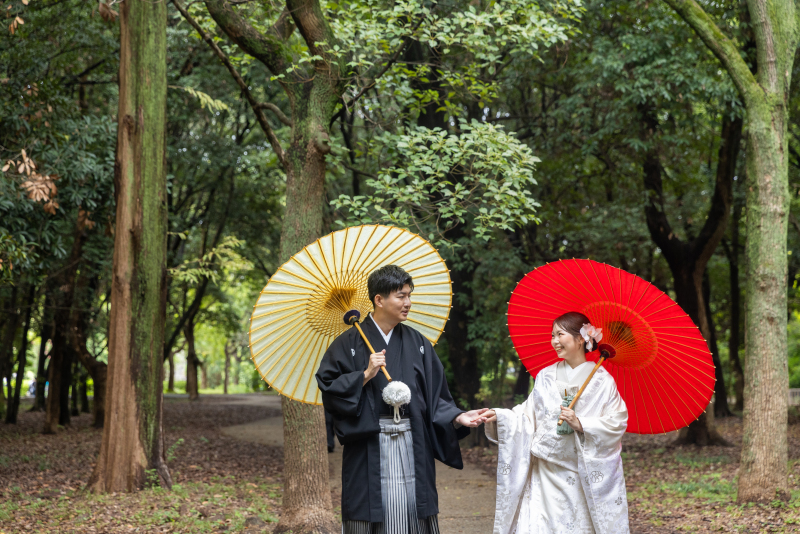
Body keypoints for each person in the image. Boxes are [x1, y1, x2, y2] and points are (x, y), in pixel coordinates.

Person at [316, 264, 489, 534]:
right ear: (379, 299)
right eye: (401, 296)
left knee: (412, 508)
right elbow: (328, 387)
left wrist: (457, 416)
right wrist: (364, 375)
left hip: (411, 440)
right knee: (370, 512)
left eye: (409, 295)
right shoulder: (348, 343)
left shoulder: (418, 343)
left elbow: (435, 396)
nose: (408, 303)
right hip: (369, 443)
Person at [482, 311, 629, 534]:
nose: (554, 341)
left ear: (581, 338)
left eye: (560, 334)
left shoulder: (602, 381)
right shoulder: (545, 376)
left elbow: (617, 422)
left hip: (581, 476)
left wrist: (581, 424)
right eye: (552, 335)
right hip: (545, 472)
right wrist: (500, 417)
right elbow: (527, 415)